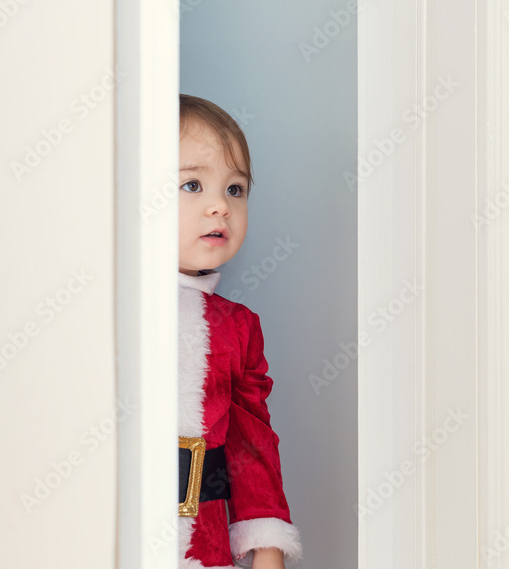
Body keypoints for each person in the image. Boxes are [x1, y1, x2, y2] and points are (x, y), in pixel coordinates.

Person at [176, 94, 302, 568]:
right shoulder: (106, 310)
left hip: (205, 552)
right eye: (191, 184)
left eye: (235, 190)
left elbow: (252, 450)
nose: (220, 207)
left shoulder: (238, 327)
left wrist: (267, 552)